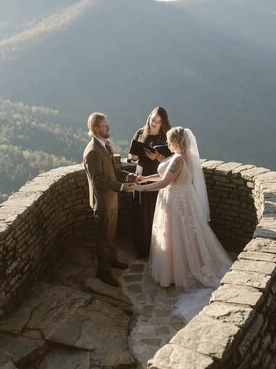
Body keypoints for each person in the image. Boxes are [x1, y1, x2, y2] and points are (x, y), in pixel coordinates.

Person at [132, 126, 232, 320]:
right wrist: (144, 178)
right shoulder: (185, 157)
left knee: (174, 236)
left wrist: (139, 188)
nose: (167, 144)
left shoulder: (177, 159)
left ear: (177, 142)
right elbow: (165, 175)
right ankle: (183, 268)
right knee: (186, 237)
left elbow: (163, 183)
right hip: (184, 199)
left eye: (170, 141)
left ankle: (178, 273)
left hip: (175, 203)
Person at [83, 112, 135, 287]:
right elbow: (98, 179)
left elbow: (113, 170)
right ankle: (103, 272)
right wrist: (121, 187)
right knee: (103, 238)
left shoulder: (105, 145)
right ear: (96, 128)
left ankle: (112, 261)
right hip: (103, 202)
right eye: (105, 126)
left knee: (111, 235)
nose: (109, 128)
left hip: (111, 199)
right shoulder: (92, 152)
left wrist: (128, 177)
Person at [128, 107, 172, 258]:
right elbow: (131, 155)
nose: (154, 123)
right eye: (153, 119)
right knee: (140, 212)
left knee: (155, 212)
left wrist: (157, 157)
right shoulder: (140, 133)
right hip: (140, 175)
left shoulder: (166, 136)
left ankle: (157, 248)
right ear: (149, 117)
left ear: (163, 123)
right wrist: (133, 156)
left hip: (157, 175)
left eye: (158, 122)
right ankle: (141, 247)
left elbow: (172, 160)